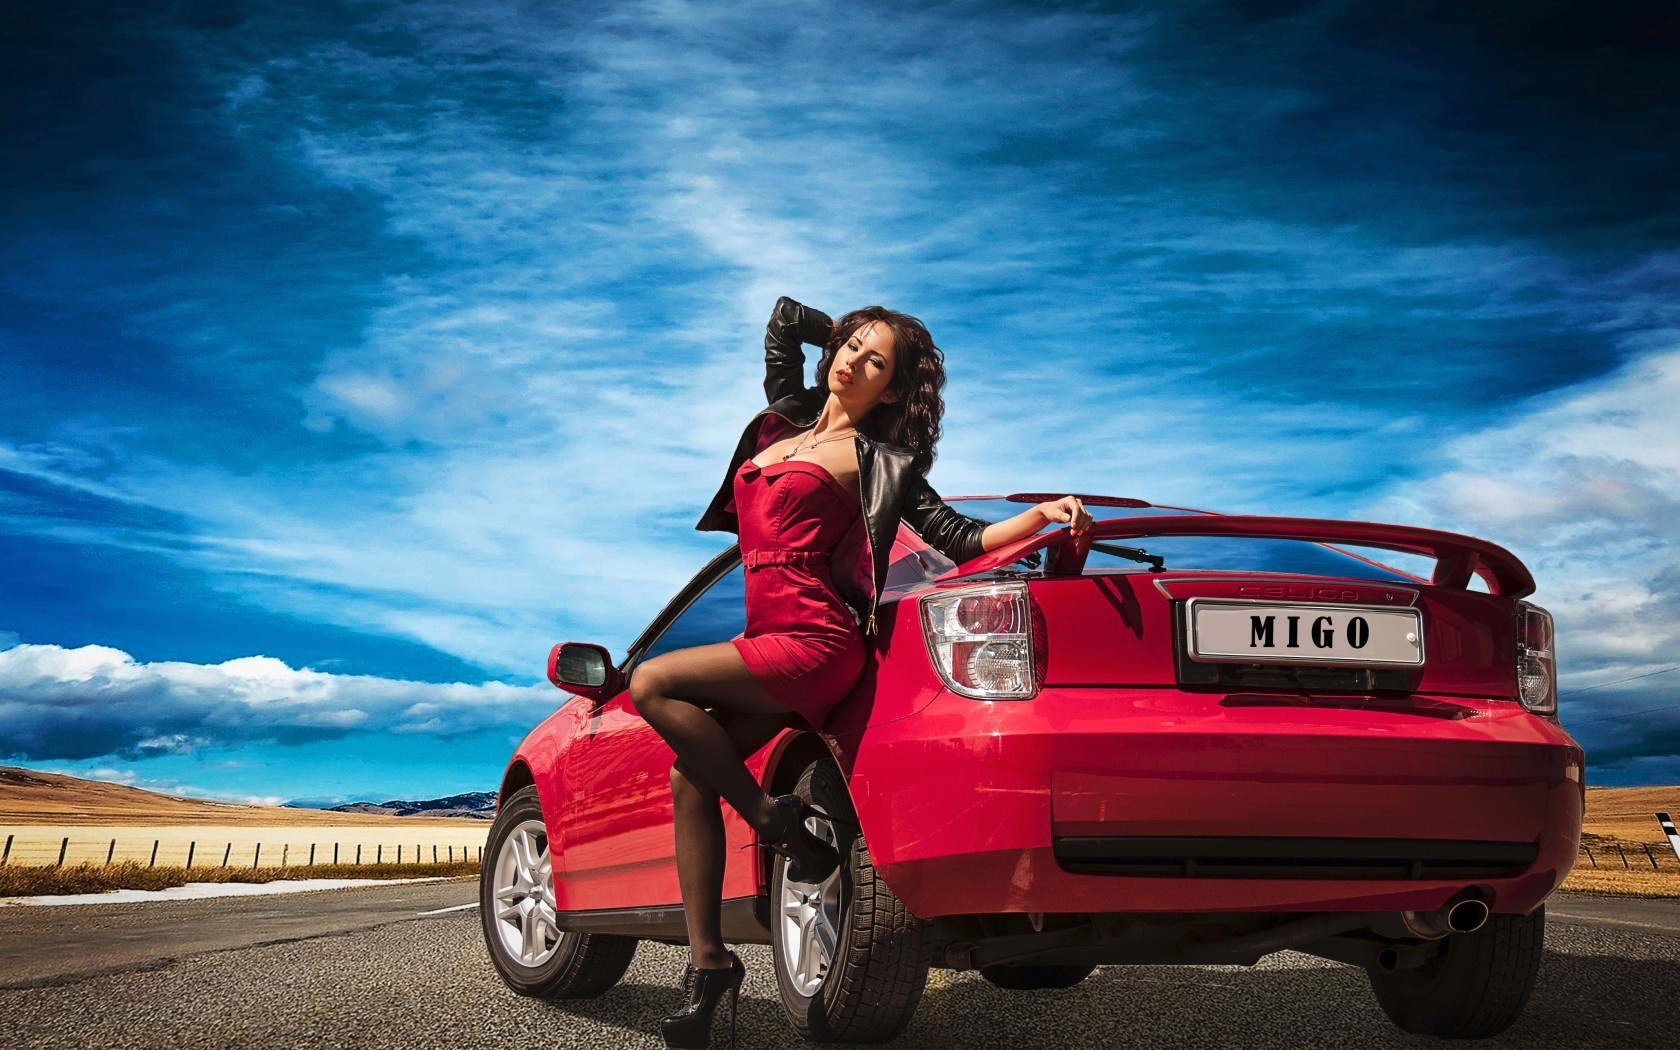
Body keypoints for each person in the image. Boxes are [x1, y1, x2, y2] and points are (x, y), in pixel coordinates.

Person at [628, 296, 1092, 1048]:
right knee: (691, 776)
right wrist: (853, 330)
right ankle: (709, 966)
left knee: (650, 682)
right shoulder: (784, 418)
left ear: (893, 389)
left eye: (876, 362)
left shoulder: (882, 461)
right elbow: (784, 320)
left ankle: (775, 822)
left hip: (815, 642)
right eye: (850, 347)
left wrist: (1041, 515)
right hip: (766, 638)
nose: (851, 362)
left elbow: (960, 537)